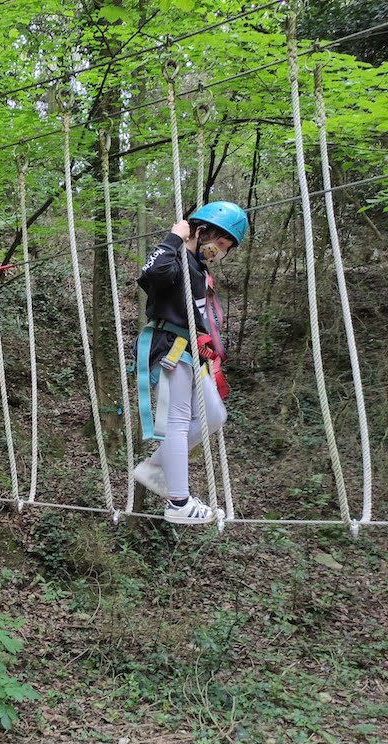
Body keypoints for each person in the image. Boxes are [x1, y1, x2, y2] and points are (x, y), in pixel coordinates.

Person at [132, 201, 247, 525]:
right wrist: (174, 237)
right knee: (179, 421)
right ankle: (178, 502)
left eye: (227, 247)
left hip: (191, 351)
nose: (220, 251)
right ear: (202, 231)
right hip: (168, 346)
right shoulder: (175, 259)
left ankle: (156, 466)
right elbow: (152, 273)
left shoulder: (198, 269)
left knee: (214, 415)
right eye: (220, 242)